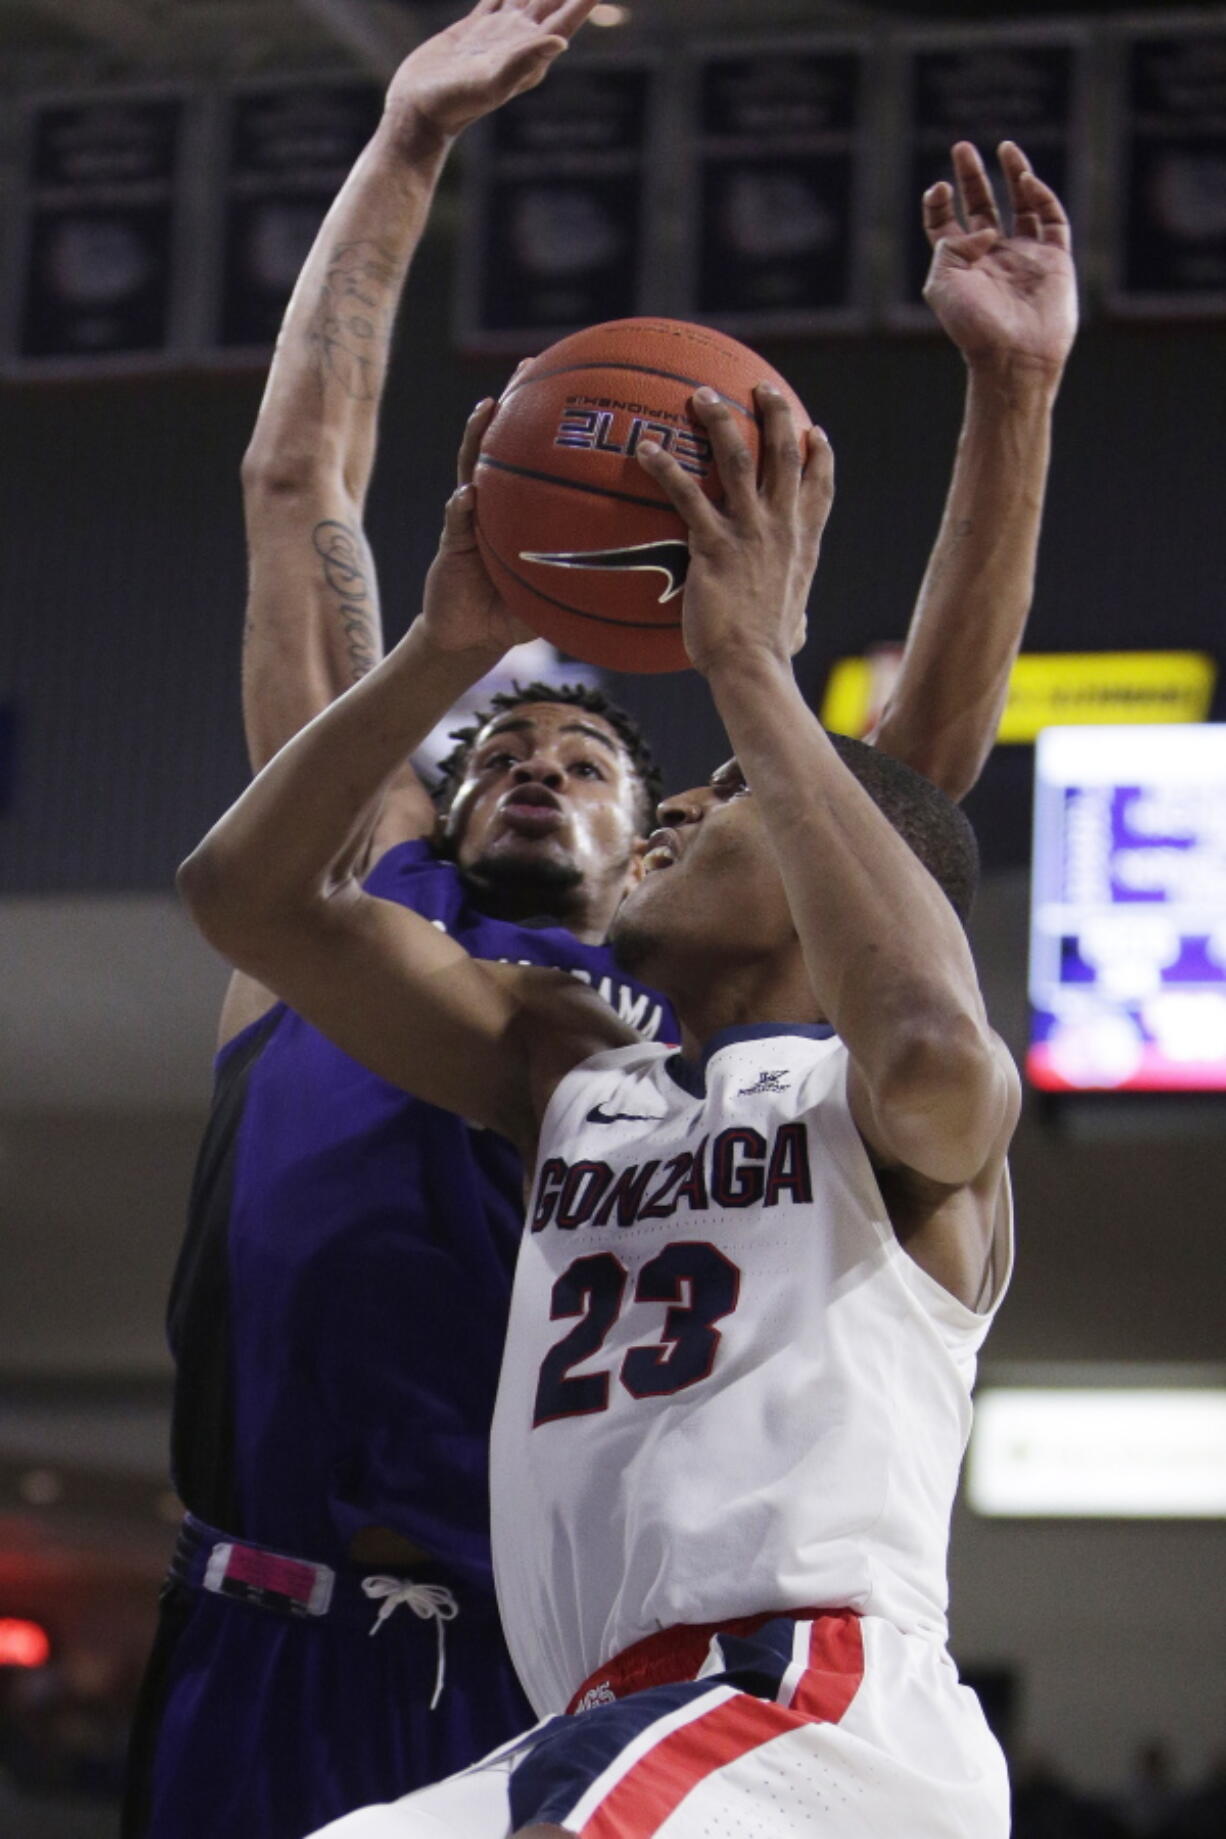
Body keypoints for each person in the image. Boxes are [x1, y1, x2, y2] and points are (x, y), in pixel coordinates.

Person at [126, 0, 1078, 1822]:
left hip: (573, 1662)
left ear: (678, 828)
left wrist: (1001, 414)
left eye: (601, 759)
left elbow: (903, 799)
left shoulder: (689, 1040)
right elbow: (292, 494)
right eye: (504, 751)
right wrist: (404, 145)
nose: (539, 769)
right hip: (279, 1629)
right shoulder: (419, 938)